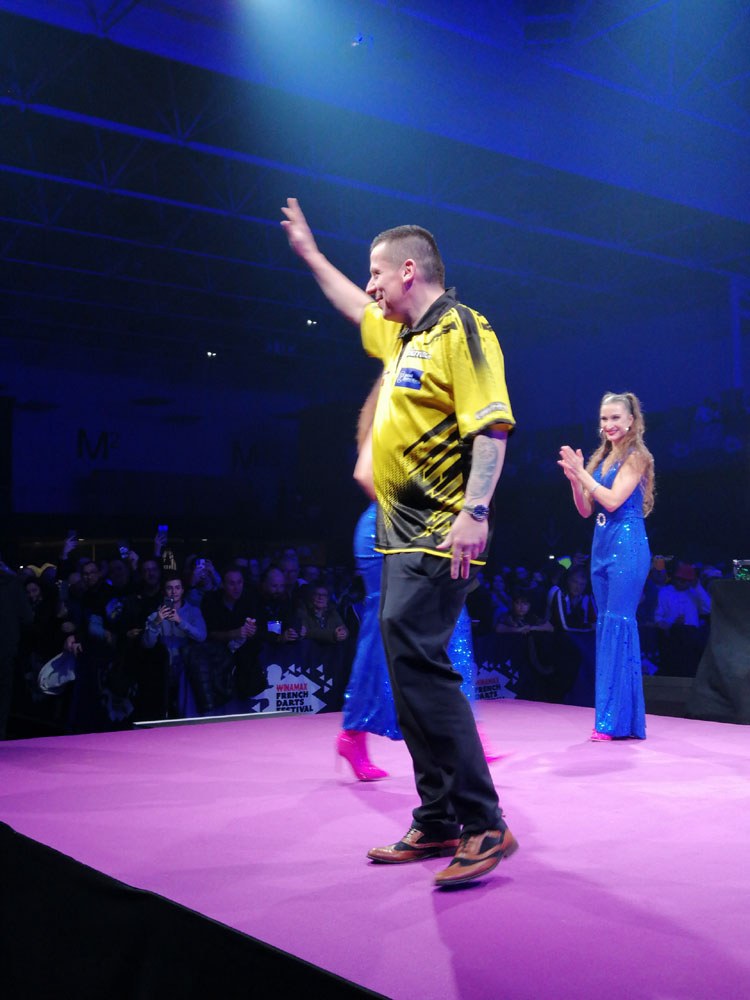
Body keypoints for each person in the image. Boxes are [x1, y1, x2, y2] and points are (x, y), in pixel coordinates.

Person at [282, 197, 518, 887]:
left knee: (424, 669)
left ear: (408, 270)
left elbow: (491, 427)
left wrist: (475, 510)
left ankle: (483, 821)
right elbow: (354, 306)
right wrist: (311, 255)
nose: (372, 285)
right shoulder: (403, 337)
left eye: (378, 273)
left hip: (443, 530)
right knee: (407, 673)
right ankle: (438, 817)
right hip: (397, 534)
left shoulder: (461, 329)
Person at [558, 391, 654, 741]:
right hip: (601, 545)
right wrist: (575, 478)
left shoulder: (637, 456)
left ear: (631, 420)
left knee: (618, 625)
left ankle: (614, 722)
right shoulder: (601, 457)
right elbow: (587, 509)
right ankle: (617, 719)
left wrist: (582, 474)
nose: (609, 424)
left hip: (627, 545)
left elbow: (612, 500)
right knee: (606, 627)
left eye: (615, 417)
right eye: (604, 418)